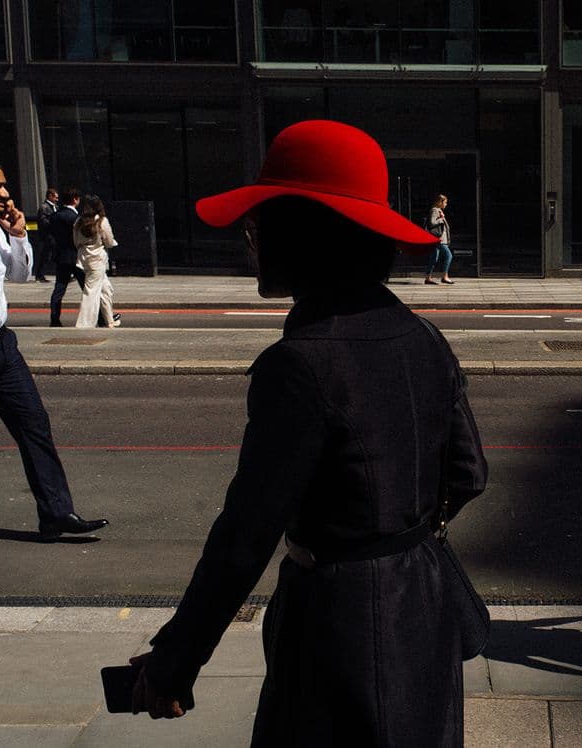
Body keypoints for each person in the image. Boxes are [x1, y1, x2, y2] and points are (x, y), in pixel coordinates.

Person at [126, 120, 488, 746]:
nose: (252, 238)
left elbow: (246, 534)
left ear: (302, 234)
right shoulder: (424, 336)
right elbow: (470, 473)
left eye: (260, 221)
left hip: (339, 625)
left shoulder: (298, 365)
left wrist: (176, 661)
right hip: (423, 607)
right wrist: (402, 529)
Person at [0, 154, 109, 553]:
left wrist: (16, 234)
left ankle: (56, 513)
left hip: (2, 344)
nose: (6, 193)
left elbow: (19, 275)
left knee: (34, 424)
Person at [73, 195, 120, 329]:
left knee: (106, 289)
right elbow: (109, 241)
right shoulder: (101, 221)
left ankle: (109, 321)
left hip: (84, 258)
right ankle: (84, 323)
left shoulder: (78, 222)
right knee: (91, 291)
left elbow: (75, 241)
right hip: (98, 258)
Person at [48, 188, 85, 327]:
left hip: (61, 256)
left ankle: (55, 318)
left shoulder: (54, 216)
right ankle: (98, 316)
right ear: (75, 199)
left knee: (59, 288)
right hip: (75, 257)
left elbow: (50, 235)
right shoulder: (75, 218)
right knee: (87, 288)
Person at [424, 193, 454, 285]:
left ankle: (428, 278)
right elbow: (432, 223)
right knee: (449, 256)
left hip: (439, 239)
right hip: (439, 239)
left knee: (434, 258)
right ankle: (444, 276)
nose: (446, 204)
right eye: (445, 202)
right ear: (440, 202)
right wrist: (441, 218)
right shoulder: (435, 210)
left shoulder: (438, 210)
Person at [34, 187, 59, 282]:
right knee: (45, 255)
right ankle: (39, 275)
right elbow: (43, 221)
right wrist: (54, 222)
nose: (57, 200)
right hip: (47, 235)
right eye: (55, 197)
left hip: (55, 235)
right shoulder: (44, 207)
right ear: (50, 196)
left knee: (53, 254)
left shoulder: (56, 207)